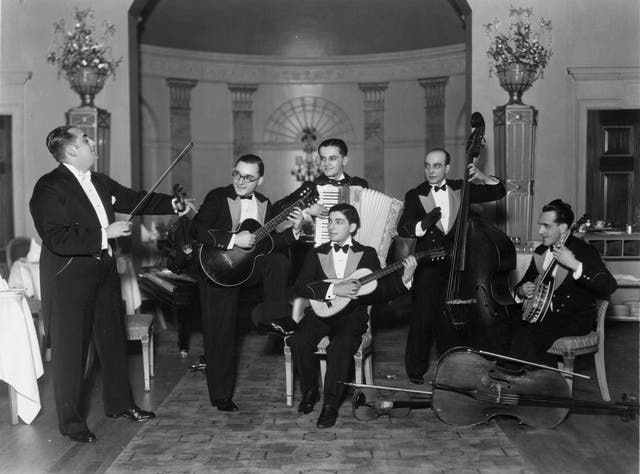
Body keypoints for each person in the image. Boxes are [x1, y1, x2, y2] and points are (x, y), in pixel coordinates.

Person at [29, 125, 193, 443]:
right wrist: (106, 233)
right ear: (72, 150)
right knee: (71, 352)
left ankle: (120, 405)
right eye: (86, 139)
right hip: (69, 279)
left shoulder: (100, 181)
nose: (93, 142)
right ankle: (72, 424)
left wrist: (172, 204)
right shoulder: (49, 187)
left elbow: (136, 200)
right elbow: (55, 237)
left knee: (113, 342)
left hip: (103, 273)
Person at [192, 154, 304, 412]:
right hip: (215, 269)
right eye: (237, 175)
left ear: (260, 179)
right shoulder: (217, 196)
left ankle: (271, 317)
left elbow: (268, 244)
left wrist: (295, 231)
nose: (241, 181)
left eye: (248, 177)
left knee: (277, 261)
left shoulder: (265, 203)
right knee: (221, 335)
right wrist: (233, 240)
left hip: (245, 269)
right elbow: (197, 230)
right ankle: (221, 396)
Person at [290, 203, 417, 428]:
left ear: (353, 226)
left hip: (352, 316)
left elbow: (379, 291)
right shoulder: (316, 252)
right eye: (330, 221)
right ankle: (310, 392)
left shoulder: (366, 253)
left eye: (338, 222)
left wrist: (405, 279)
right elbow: (301, 286)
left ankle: (330, 406)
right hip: (320, 313)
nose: (331, 226)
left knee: (342, 344)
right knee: (299, 339)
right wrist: (333, 290)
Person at [396, 147, 506, 384]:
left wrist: (484, 176)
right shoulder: (415, 194)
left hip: (459, 264)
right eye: (427, 165)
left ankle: (456, 367)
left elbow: (498, 192)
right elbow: (403, 228)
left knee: (454, 317)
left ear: (447, 168)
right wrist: (422, 225)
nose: (431, 171)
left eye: (436, 166)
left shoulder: (460, 188)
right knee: (422, 316)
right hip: (427, 264)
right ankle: (415, 370)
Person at [506, 199, 617, 366]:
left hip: (572, 319)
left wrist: (574, 264)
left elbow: (609, 285)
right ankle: (518, 382)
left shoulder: (584, 251)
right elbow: (521, 285)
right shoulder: (541, 251)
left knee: (528, 335)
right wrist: (521, 290)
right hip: (541, 317)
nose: (540, 231)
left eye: (546, 226)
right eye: (540, 225)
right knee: (501, 325)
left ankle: (528, 384)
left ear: (563, 228)